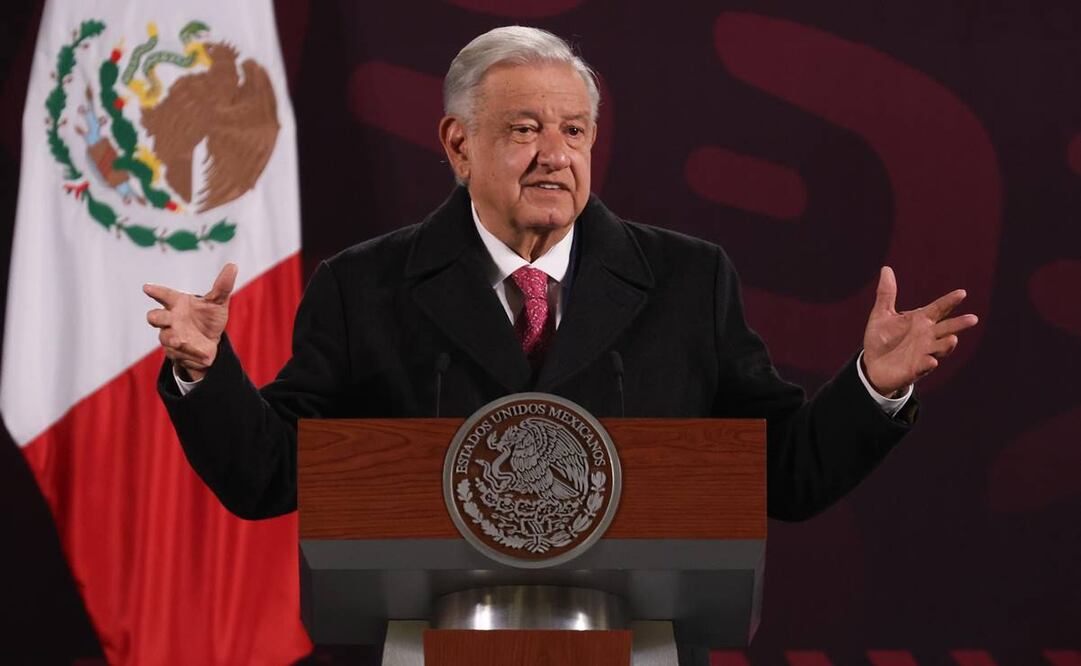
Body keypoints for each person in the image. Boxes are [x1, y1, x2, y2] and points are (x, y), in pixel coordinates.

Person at [146, 27, 975, 525]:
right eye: (524, 129)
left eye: (574, 130)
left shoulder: (688, 281)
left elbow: (783, 474)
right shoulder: (363, 287)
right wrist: (204, 373)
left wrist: (870, 386)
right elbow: (270, 477)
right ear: (457, 144)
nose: (554, 154)